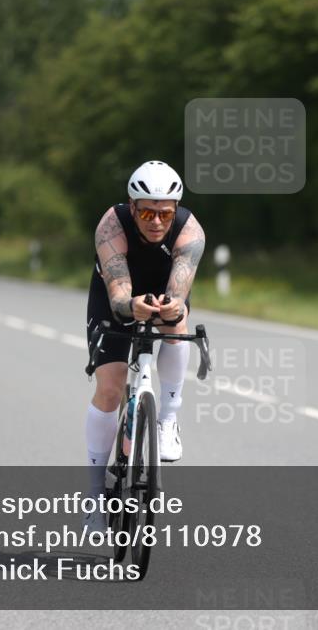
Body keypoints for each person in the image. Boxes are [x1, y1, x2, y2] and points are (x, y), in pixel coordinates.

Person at [84, 160, 205, 534]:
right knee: (110, 387)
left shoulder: (190, 232)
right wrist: (129, 306)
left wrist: (170, 306)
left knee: (177, 318)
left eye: (165, 214)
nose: (156, 222)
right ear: (133, 208)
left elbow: (179, 291)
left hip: (162, 289)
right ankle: (94, 501)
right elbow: (119, 293)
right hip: (114, 296)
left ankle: (168, 419)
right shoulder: (111, 226)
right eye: (148, 212)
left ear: (175, 212)